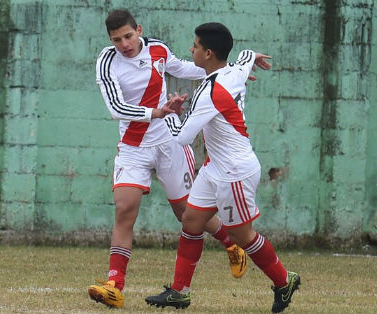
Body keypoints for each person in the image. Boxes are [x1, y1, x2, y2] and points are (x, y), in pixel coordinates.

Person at [88, 10, 248, 309]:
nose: (124, 44)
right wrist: (156, 111)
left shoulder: (158, 49)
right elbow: (116, 107)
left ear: (138, 30)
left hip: (168, 142)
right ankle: (114, 285)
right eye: (116, 39)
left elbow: (188, 68)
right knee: (124, 210)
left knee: (187, 214)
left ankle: (231, 243)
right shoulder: (107, 61)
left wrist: (231, 72)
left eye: (128, 36)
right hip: (133, 147)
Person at [144, 22, 301, 313]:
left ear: (208, 53)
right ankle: (180, 292)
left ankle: (284, 280)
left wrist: (168, 113)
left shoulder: (209, 94)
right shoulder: (233, 70)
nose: (191, 49)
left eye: (194, 46)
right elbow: (244, 57)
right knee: (191, 221)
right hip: (215, 167)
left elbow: (183, 138)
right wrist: (254, 55)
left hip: (235, 172)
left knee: (242, 236)